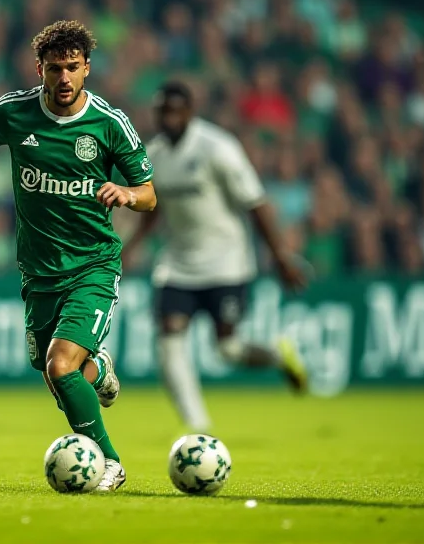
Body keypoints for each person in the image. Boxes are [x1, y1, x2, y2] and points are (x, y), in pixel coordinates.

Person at [0, 21, 156, 492]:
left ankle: (110, 464)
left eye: (73, 68)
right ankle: (98, 370)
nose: (64, 78)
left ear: (87, 69)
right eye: (55, 68)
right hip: (39, 272)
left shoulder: (108, 123)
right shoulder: (14, 113)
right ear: (39, 69)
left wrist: (126, 193)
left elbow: (150, 195)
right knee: (57, 375)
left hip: (93, 265)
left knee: (61, 366)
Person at [122, 82, 308, 433]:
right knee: (168, 338)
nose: (170, 118)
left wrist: (281, 256)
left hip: (226, 262)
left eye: (177, 110)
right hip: (176, 264)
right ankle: (197, 427)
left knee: (228, 349)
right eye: (163, 111)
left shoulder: (218, 148)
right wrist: (130, 249)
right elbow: (152, 210)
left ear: (191, 112)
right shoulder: (154, 155)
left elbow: (256, 203)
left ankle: (279, 356)